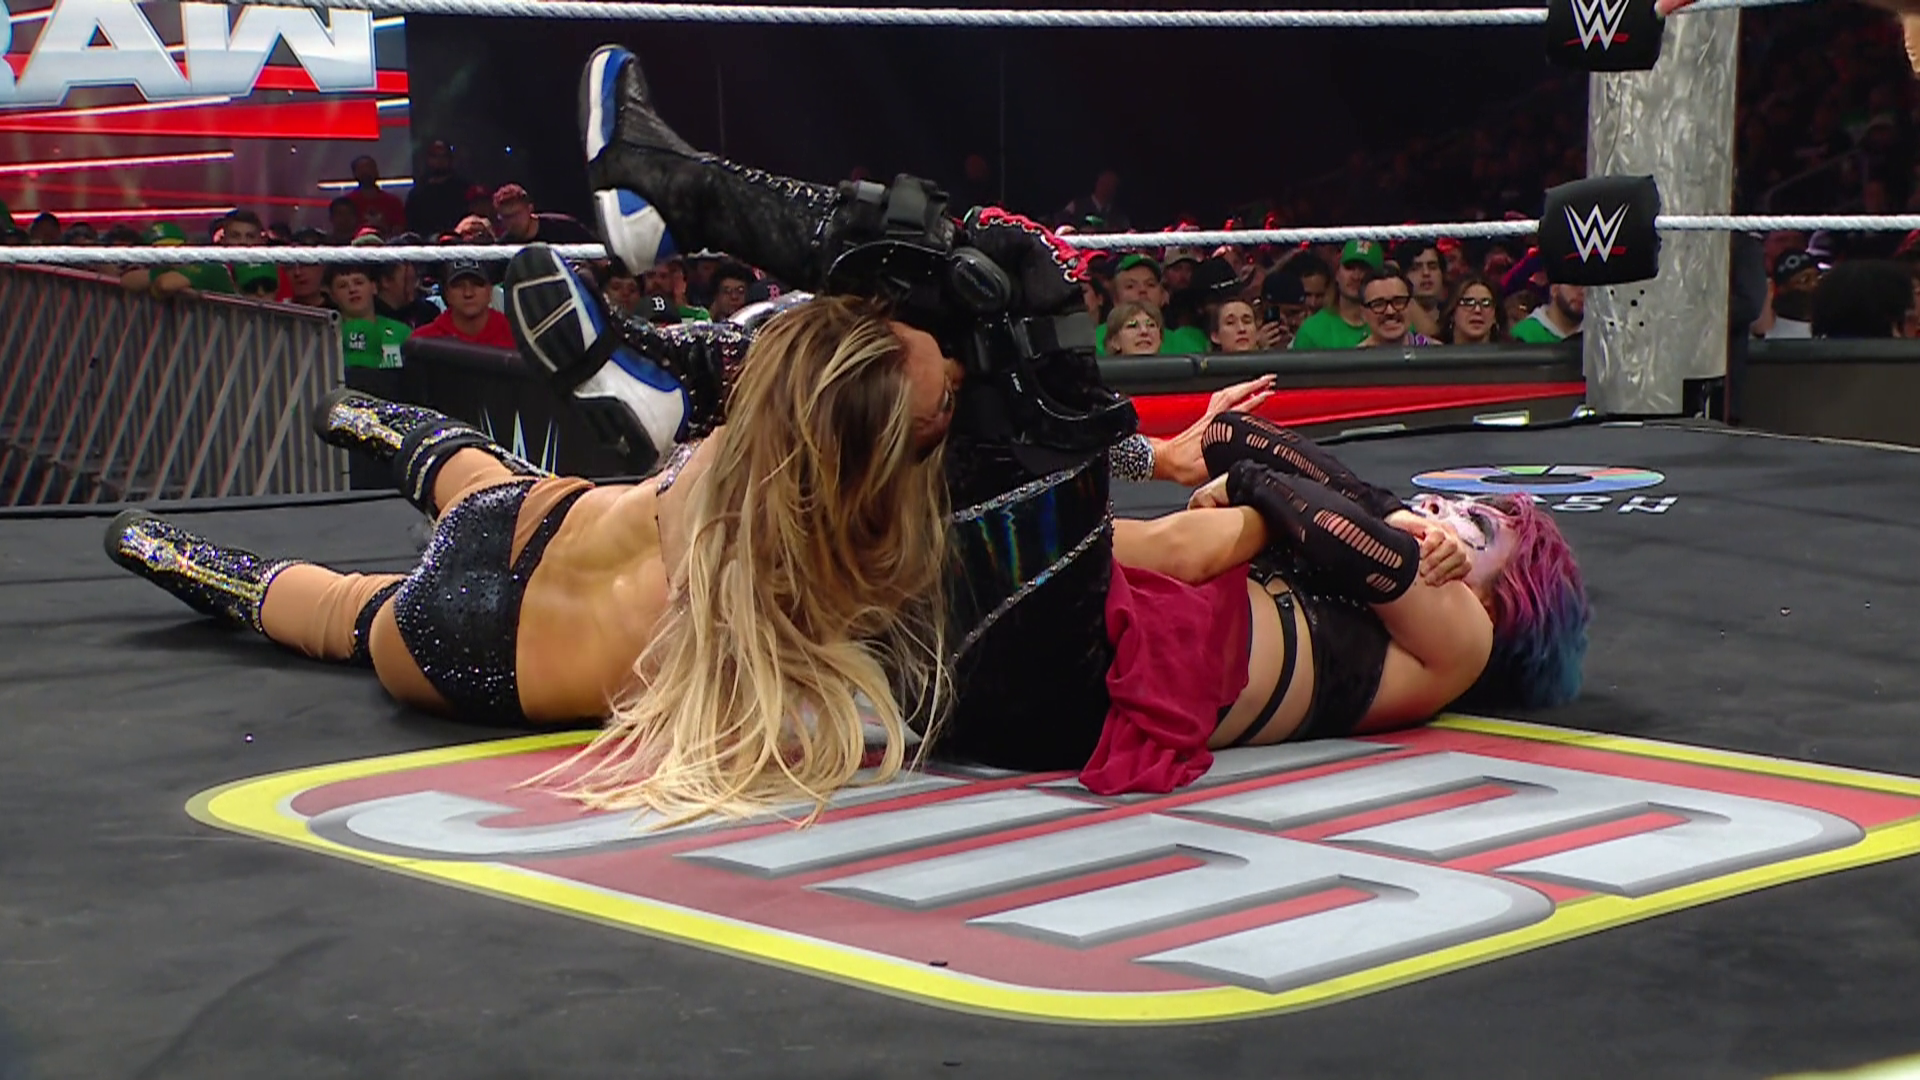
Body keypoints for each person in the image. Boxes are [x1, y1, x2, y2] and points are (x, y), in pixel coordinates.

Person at [105, 295, 961, 824]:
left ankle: (358, 417)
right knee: (354, 615)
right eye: (946, 389)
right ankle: (163, 548)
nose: (958, 368)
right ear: (889, 447)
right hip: (481, 653)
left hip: (532, 522)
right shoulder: (814, 575)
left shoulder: (741, 440)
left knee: (482, 482)